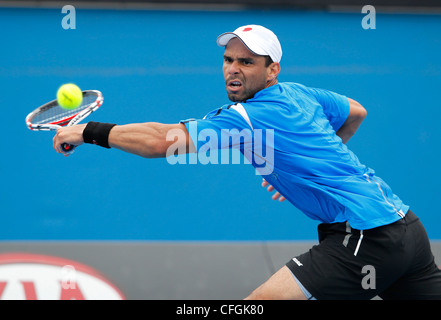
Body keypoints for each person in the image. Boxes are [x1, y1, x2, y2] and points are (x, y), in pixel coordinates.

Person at [53, 25, 441, 300]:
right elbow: (356, 112)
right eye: (228, 59)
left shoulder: (249, 117)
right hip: (408, 230)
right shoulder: (300, 94)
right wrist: (298, 169)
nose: (233, 68)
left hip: (365, 236)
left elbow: (161, 141)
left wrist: (87, 131)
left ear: (272, 70)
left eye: (247, 62)